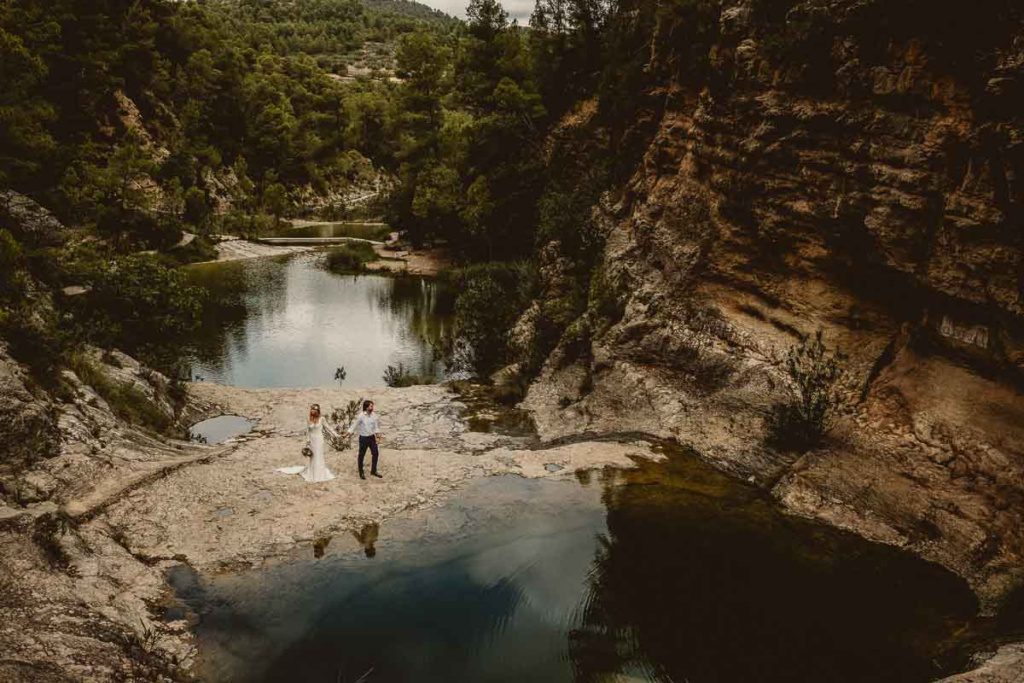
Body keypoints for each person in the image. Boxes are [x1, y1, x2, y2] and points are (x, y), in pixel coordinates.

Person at [276, 404, 338, 482]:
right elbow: (307, 431)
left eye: (314, 411)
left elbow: (328, 428)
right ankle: (312, 473)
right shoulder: (308, 419)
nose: (313, 412)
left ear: (318, 411)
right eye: (312, 410)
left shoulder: (322, 419)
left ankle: (320, 474)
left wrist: (336, 435)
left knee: (319, 456)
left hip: (319, 440)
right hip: (312, 440)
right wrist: (307, 441)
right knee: (313, 456)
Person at [347, 399, 382, 480]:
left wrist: (378, 435)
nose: (372, 407)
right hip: (363, 438)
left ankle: (373, 471)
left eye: (372, 406)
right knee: (361, 455)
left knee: (376, 453)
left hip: (372, 438)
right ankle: (361, 472)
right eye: (371, 406)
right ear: (366, 407)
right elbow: (354, 425)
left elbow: (376, 427)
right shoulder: (361, 416)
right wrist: (348, 433)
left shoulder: (374, 415)